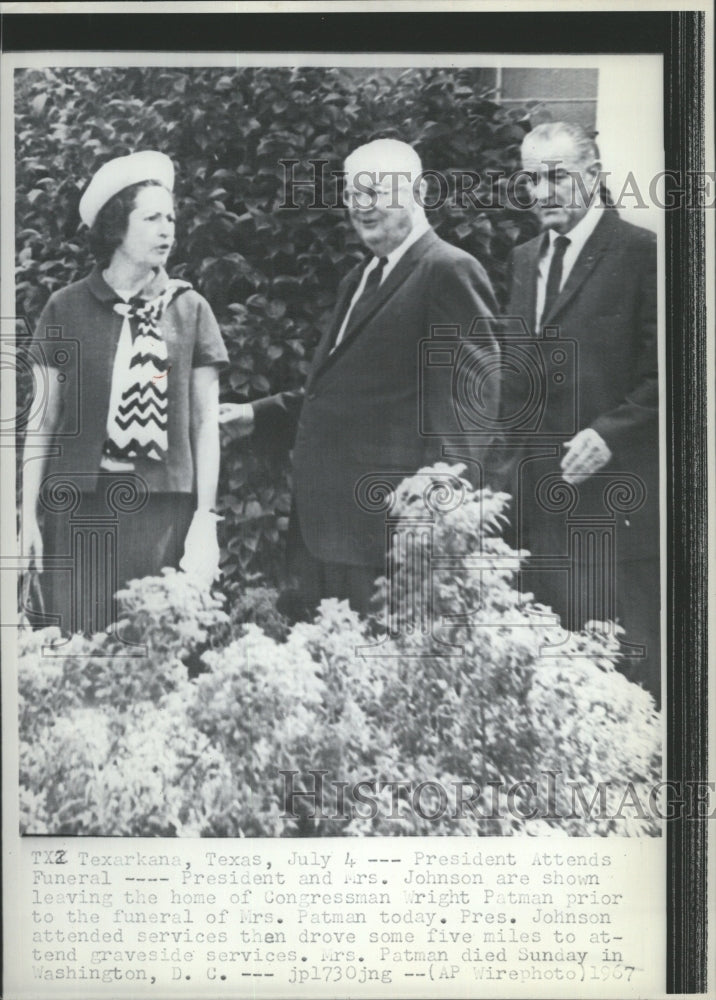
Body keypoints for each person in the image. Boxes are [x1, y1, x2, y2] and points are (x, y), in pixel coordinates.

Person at [220, 138, 500, 617]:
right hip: (326, 531)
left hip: (387, 533)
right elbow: (341, 390)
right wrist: (255, 415)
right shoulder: (362, 277)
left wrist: (437, 500)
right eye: (353, 194)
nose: (361, 207)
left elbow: (471, 400)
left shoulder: (448, 270)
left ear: (419, 192)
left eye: (376, 192)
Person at [20, 150, 228, 635]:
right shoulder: (65, 308)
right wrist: (26, 517)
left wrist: (204, 518)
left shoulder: (191, 309)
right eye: (151, 218)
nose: (167, 229)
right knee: (76, 650)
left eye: (171, 218)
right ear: (116, 228)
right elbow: (42, 421)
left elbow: (205, 424)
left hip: (160, 512)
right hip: (79, 508)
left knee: (155, 649)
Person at [502, 121, 659, 701]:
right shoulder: (522, 260)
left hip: (615, 515)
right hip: (539, 513)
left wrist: (611, 433)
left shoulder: (644, 253)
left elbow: (676, 370)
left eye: (557, 177)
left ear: (593, 176)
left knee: (621, 682)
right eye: (532, 179)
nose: (542, 192)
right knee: (547, 687)